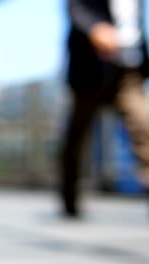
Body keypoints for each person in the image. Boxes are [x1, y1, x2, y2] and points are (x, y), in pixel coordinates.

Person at [61, 0, 149, 218]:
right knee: (77, 136)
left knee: (144, 128)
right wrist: (95, 28)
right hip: (91, 68)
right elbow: (76, 6)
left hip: (128, 69)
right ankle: (69, 195)